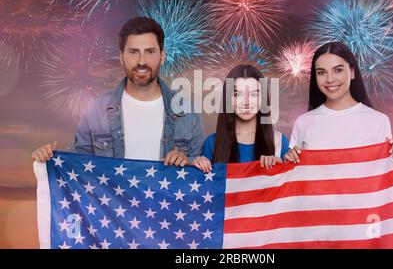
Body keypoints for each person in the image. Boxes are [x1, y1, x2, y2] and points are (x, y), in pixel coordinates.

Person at [32, 17, 204, 166]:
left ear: (162, 56)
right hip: (111, 205)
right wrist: (49, 160)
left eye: (150, 52)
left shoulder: (187, 112)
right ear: (121, 57)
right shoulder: (96, 111)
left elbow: (200, 174)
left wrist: (188, 163)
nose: (141, 61)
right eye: (133, 52)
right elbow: (78, 166)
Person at [284, 41, 393, 163]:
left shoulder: (378, 121)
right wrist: (287, 162)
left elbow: (381, 174)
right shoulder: (303, 122)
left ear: (352, 72)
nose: (330, 79)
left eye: (338, 70)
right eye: (321, 72)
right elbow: (297, 175)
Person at [192, 64, 290, 172]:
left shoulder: (279, 142)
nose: (246, 102)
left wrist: (280, 167)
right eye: (237, 94)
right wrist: (195, 163)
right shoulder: (212, 143)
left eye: (254, 94)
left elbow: (290, 185)